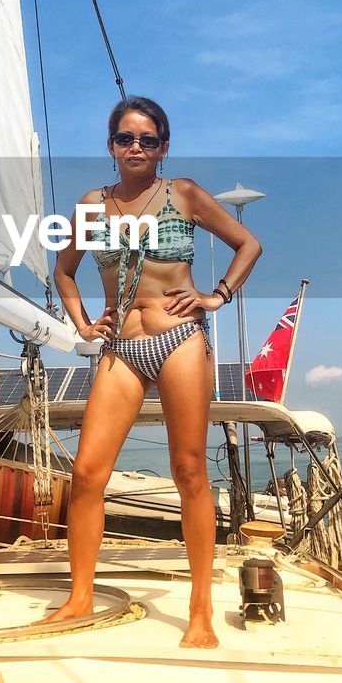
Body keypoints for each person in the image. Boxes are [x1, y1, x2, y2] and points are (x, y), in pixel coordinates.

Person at [45, 96, 262, 648]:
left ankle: (200, 612)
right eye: (125, 138)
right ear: (111, 146)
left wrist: (217, 296)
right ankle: (80, 598)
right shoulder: (93, 206)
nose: (136, 147)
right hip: (121, 347)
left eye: (147, 139)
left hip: (179, 339)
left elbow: (247, 244)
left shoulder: (183, 194)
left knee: (188, 471)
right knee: (88, 474)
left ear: (163, 148)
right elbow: (63, 272)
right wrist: (85, 326)